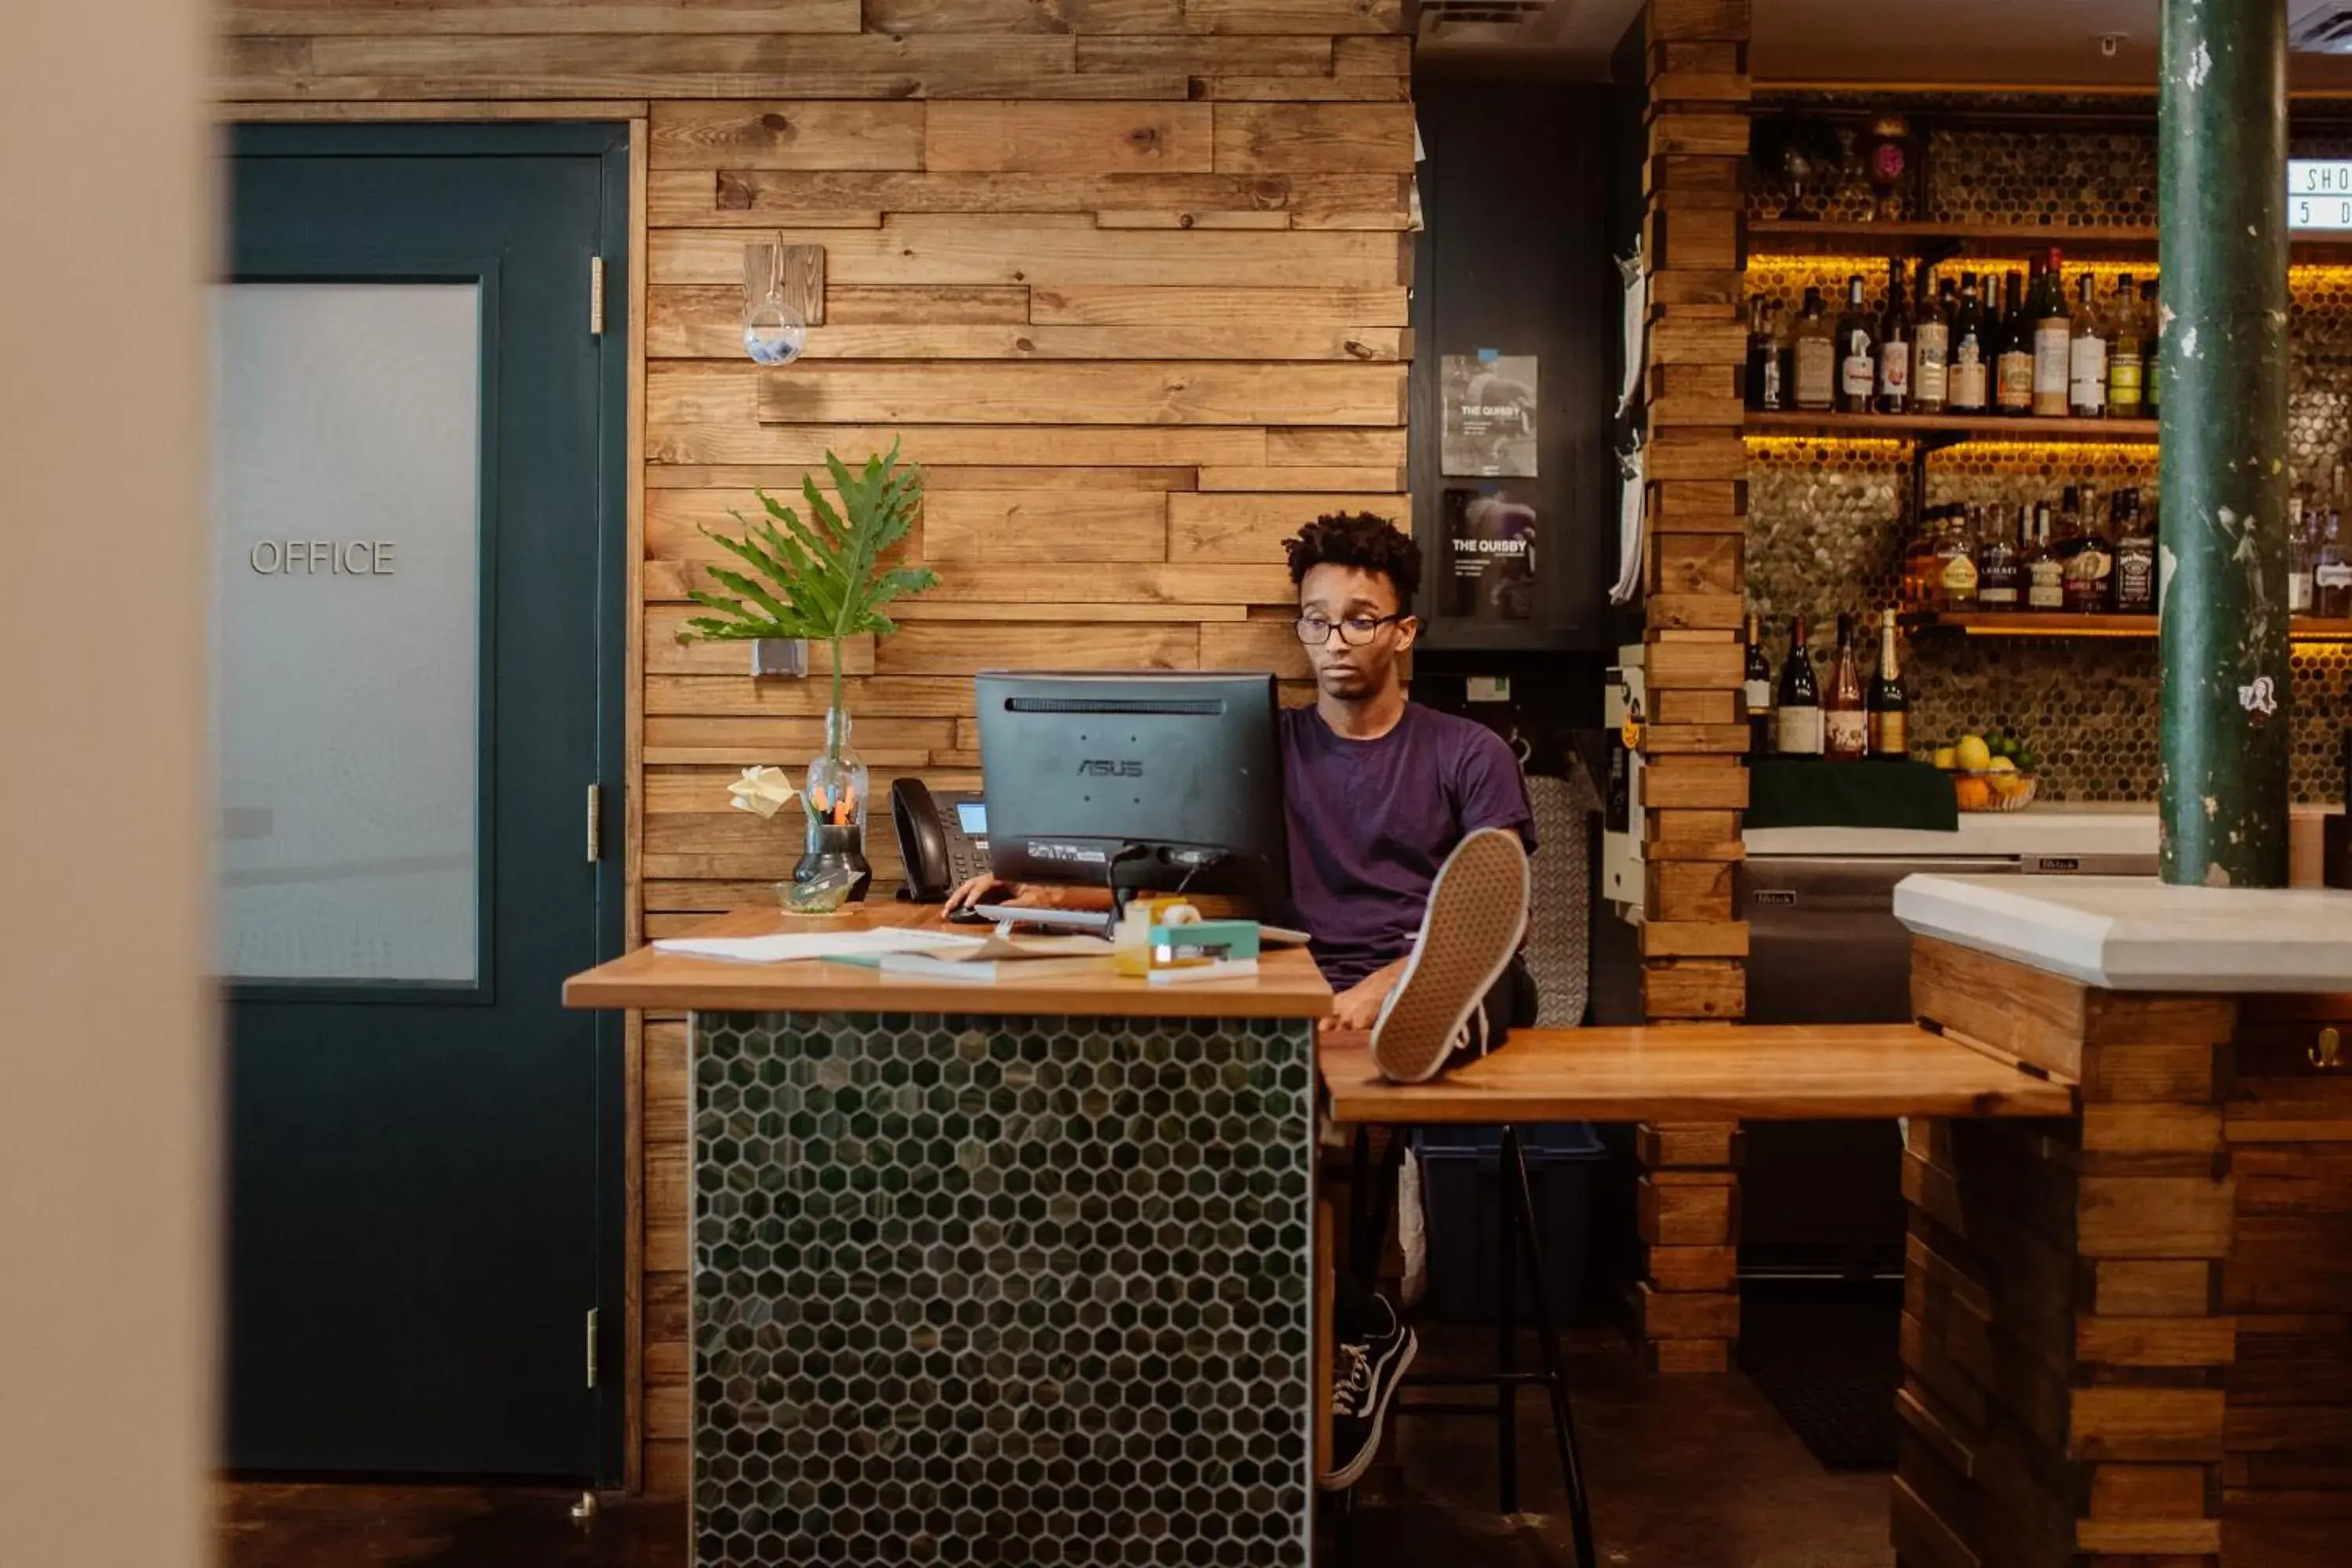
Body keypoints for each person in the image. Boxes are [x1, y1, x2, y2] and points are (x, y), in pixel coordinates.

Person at [948, 510, 1537, 1490]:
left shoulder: (1467, 751)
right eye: (1317, 621)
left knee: (1462, 985)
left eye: (1359, 619)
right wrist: (1051, 888)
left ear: (1405, 631)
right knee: (1164, 976)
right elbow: (1191, 864)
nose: (1335, 641)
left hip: (1424, 965)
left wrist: (1385, 984)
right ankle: (1341, 1319)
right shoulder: (1265, 743)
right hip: (1290, 962)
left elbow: (1500, 899)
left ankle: (1419, 1031)